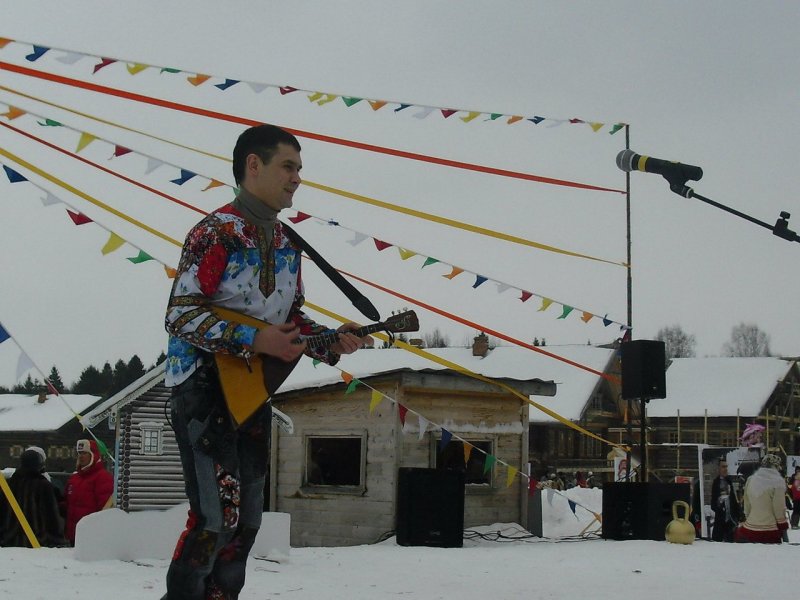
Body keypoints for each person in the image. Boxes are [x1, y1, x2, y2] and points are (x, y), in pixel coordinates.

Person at [162, 124, 372, 600]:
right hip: (203, 389)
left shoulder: (288, 243)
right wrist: (255, 339)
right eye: (288, 166)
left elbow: (289, 319)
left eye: (299, 168)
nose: (297, 178)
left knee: (249, 520)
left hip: (254, 391)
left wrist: (331, 341)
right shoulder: (215, 232)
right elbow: (180, 315)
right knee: (215, 518)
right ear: (253, 166)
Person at [0, 446, 67, 547]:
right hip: (37, 541)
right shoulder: (44, 486)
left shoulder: (9, 484)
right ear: (39, 465)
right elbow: (51, 517)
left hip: (10, 541)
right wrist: (58, 539)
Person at [63, 439, 113, 546]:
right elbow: (66, 503)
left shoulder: (103, 478)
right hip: (73, 536)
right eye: (79, 453)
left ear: (93, 455)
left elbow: (105, 510)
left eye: (84, 453)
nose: (81, 456)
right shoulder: (74, 478)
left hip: (92, 536)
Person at [735, 453, 789, 544]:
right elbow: (779, 508)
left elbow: (747, 504)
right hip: (769, 530)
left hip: (749, 529)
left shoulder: (751, 479)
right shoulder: (778, 482)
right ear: (776, 466)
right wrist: (783, 526)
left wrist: (749, 517)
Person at [710, 459, 739, 542]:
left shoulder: (729, 481)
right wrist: (719, 507)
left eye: (726, 467)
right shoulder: (716, 482)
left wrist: (738, 514)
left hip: (730, 520)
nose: (725, 469)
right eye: (723, 467)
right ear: (718, 469)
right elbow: (713, 503)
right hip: (720, 520)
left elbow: (734, 499)